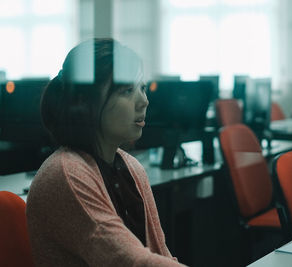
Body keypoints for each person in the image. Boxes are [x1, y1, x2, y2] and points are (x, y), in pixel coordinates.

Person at [26, 38, 185, 266]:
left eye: (142, 87)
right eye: (127, 90)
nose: (144, 101)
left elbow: (161, 255)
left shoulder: (131, 167)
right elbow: (129, 261)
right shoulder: (67, 174)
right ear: (86, 102)